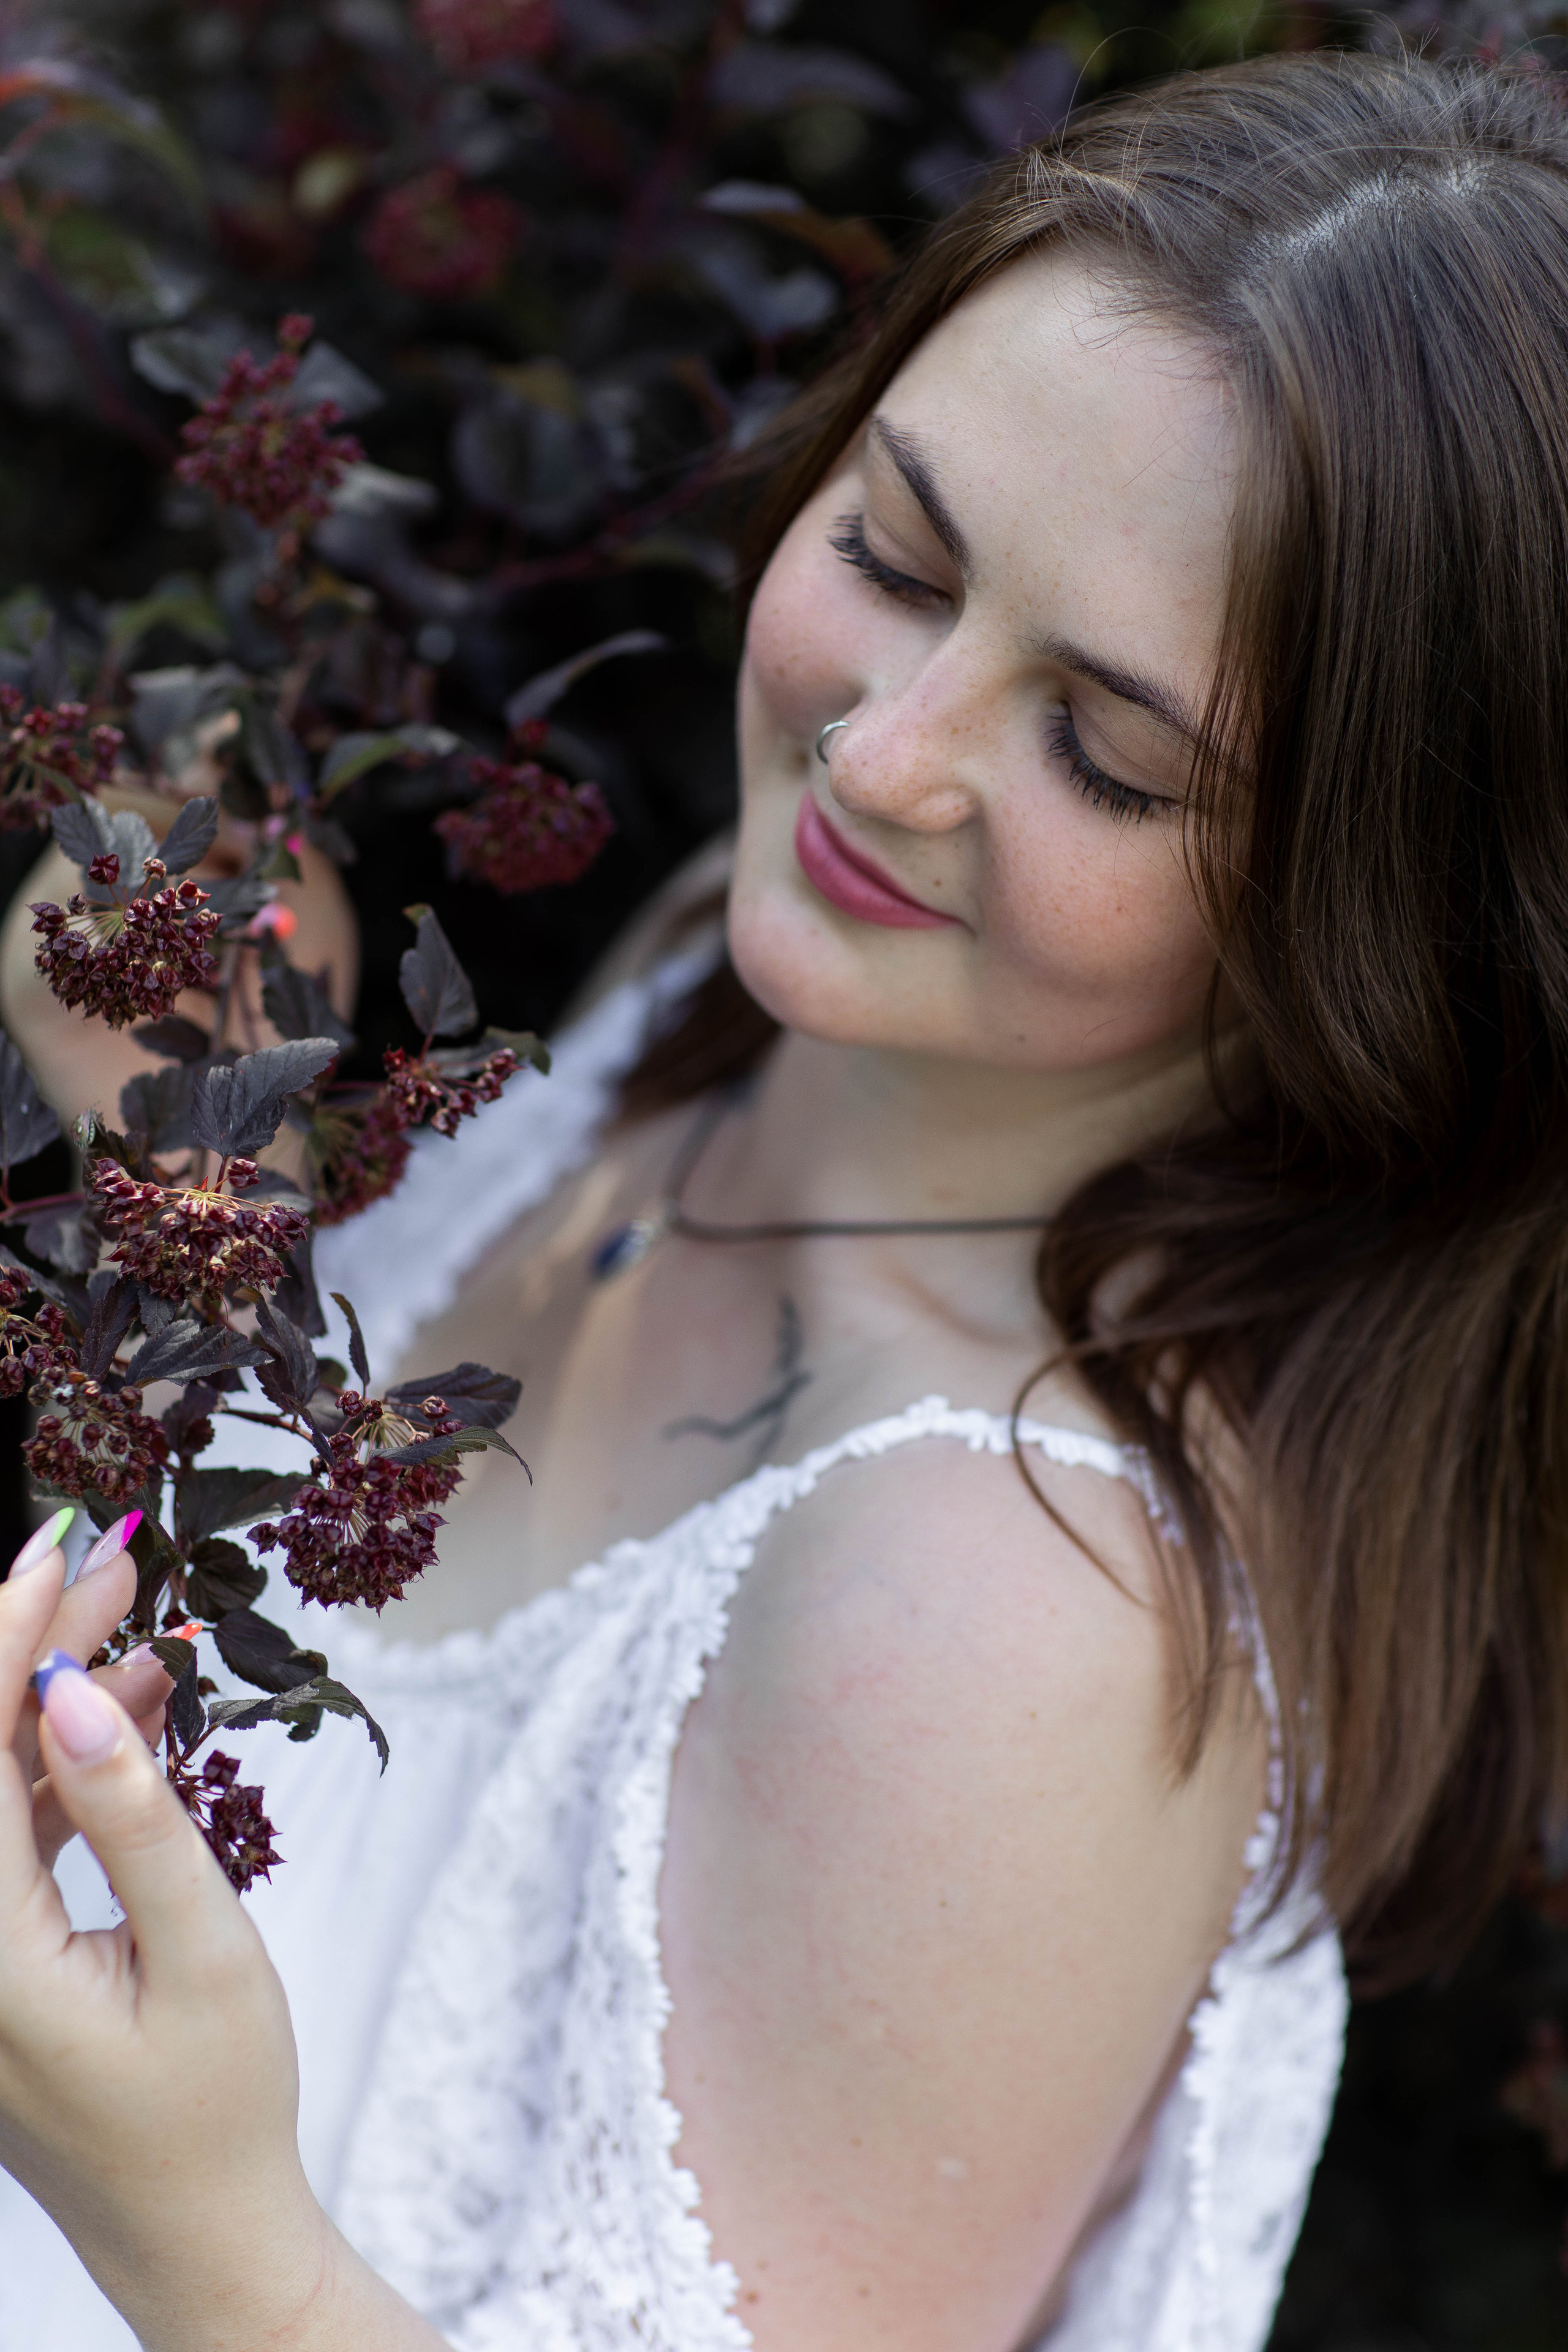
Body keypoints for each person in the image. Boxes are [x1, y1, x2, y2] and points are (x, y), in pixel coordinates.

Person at [2, 45, 1566, 2352]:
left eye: (1108, 755)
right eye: (894, 554)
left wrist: (184, 2221)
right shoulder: (746, 985)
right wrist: (192, 1180)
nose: (882, 751)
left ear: (1377, 906)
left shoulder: (1008, 1622)